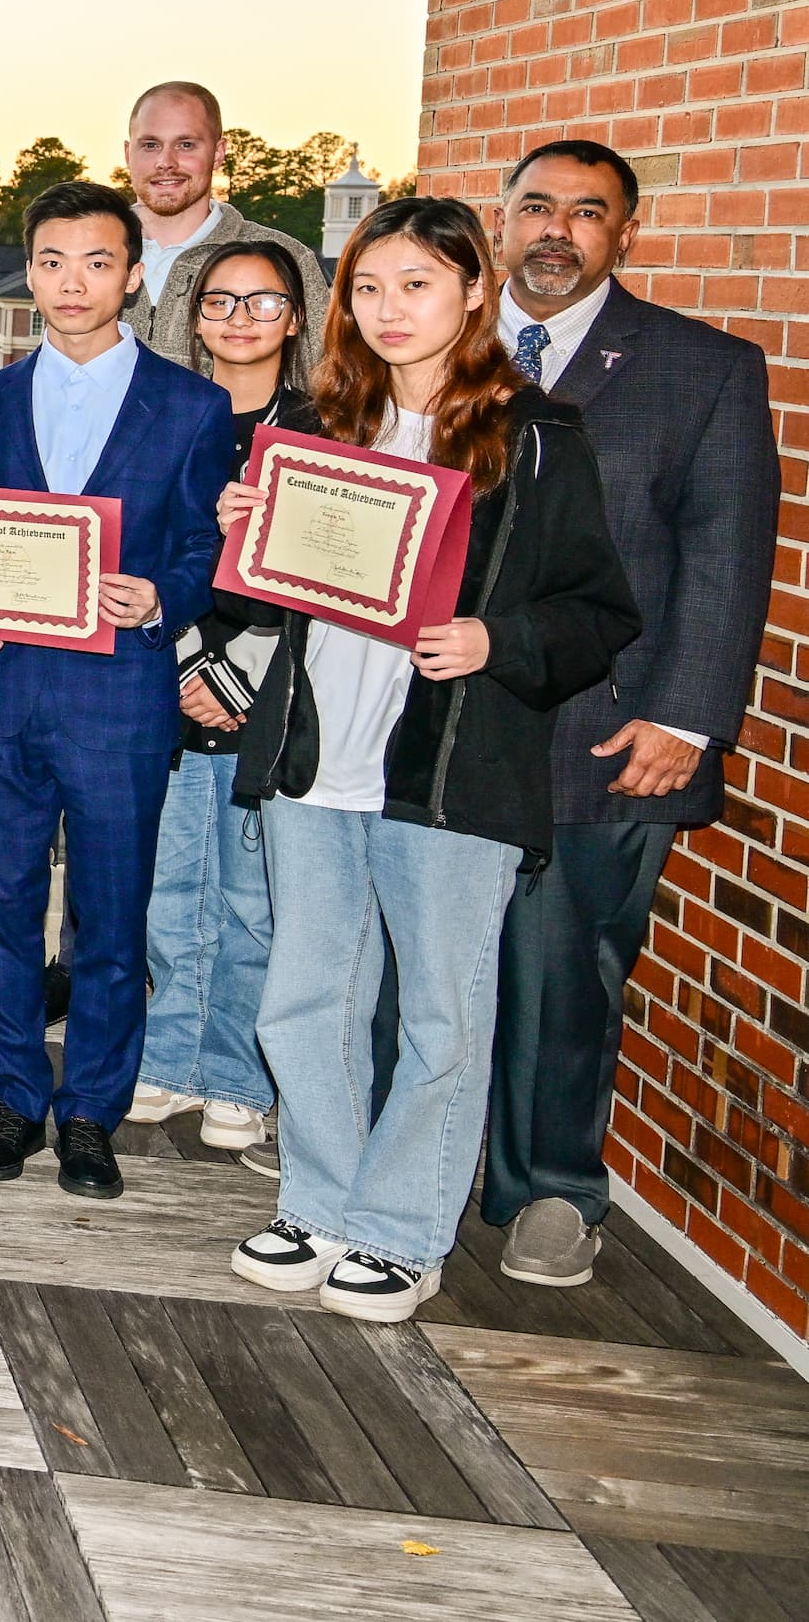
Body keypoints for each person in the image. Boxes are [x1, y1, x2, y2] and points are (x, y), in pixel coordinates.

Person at [226, 196, 638, 1323]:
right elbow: (269, 595)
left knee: (440, 1014)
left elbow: (599, 609)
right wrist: (244, 525)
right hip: (318, 756)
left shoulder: (535, 434)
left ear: (471, 288)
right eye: (367, 286)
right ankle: (316, 1200)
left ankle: (402, 1232)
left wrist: (494, 639)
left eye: (415, 283)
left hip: (449, 769)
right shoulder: (315, 424)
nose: (388, 308)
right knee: (303, 995)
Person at [478, 141, 773, 1289]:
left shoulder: (698, 369)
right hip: (425, 723)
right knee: (408, 957)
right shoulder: (423, 343)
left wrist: (683, 717)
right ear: (495, 221)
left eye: (586, 212)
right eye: (535, 206)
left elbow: (724, 556)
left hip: (600, 730)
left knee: (562, 971)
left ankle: (549, 1190)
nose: (555, 228)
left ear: (624, 234)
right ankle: (402, 1164)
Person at [0, 181, 237, 1199]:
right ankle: (13, 1093)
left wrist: (160, 592)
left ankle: (90, 1113)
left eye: (97, 261)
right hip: (2, 689)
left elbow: (206, 544)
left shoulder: (192, 405)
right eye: (53, 261)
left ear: (133, 272)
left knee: (111, 920)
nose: (73, 283)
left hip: (121, 694)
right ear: (27, 272)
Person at [130, 239, 313, 1157]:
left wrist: (242, 667)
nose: (238, 319)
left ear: (296, 316)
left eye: (262, 301)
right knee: (170, 890)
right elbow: (147, 549)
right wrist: (191, 660)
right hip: (171, 675)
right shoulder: (167, 414)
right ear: (192, 316)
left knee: (252, 901)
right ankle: (168, 1060)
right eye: (219, 301)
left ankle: (238, 1074)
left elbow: (333, 570)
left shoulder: (330, 428)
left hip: (271, 695)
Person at [118, 82, 331, 367]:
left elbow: (323, 387)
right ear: (128, 153)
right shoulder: (88, 255)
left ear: (218, 153)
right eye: (150, 145)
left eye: (185, 145)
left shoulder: (285, 258)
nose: (165, 162)